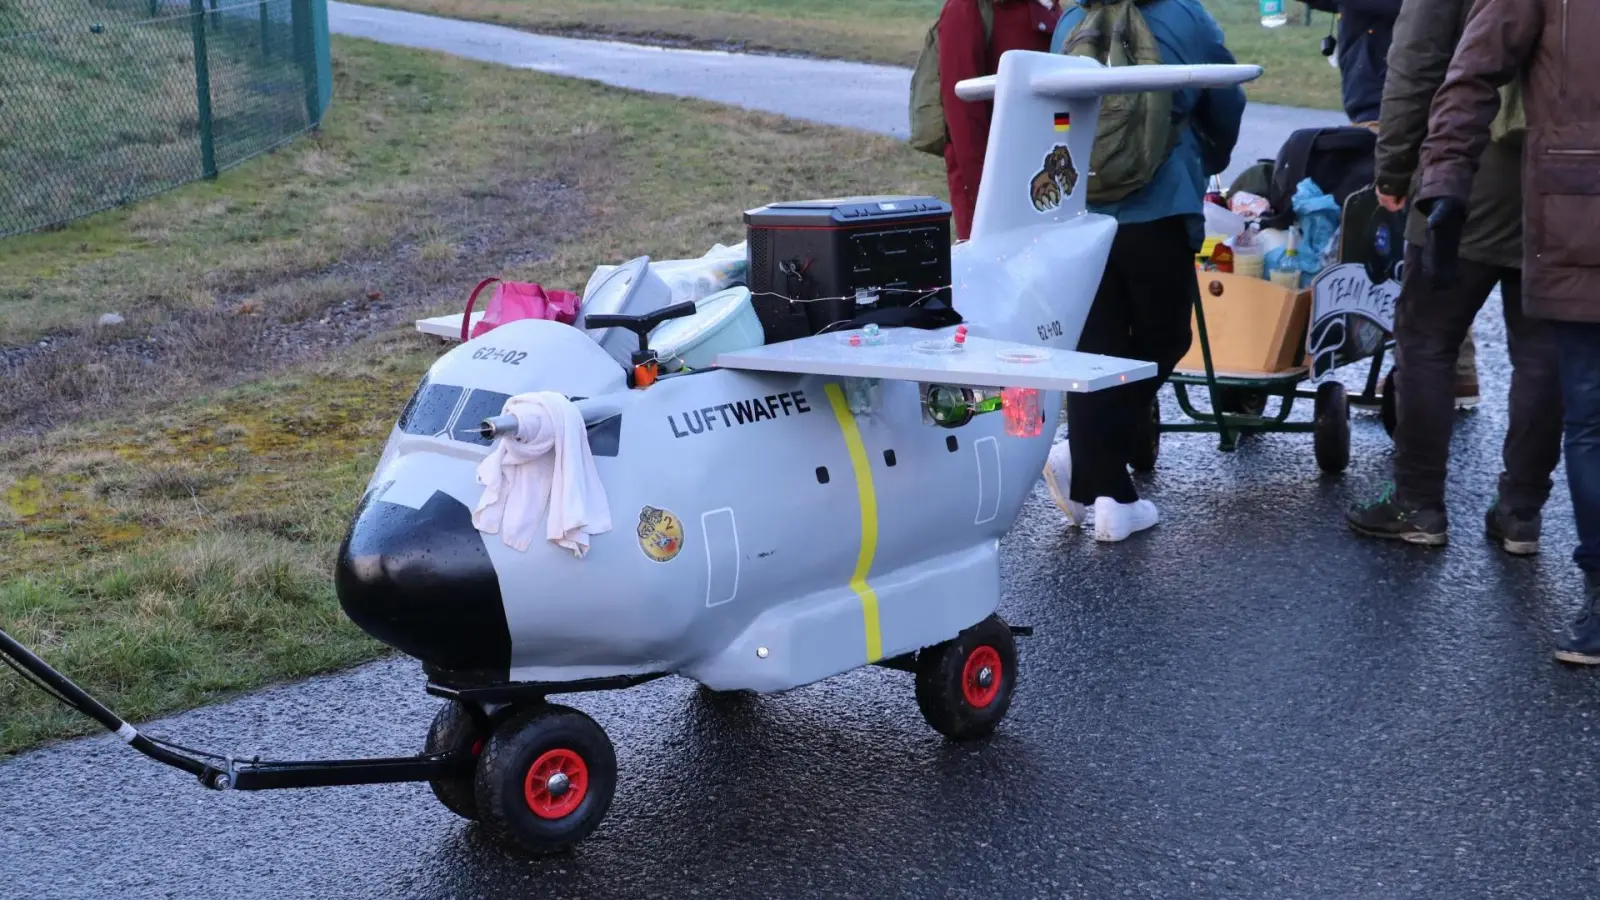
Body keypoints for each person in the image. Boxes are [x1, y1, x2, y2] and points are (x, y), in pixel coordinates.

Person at [1413, 0, 1599, 662]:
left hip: (1570, 202)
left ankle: (1598, 604)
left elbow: (1454, 70)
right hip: (1570, 205)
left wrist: (1436, 183)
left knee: (1587, 411)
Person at [1345, 0, 1561, 551]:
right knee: (1543, 353)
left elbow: (1417, 61)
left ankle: (1416, 502)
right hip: (1565, 176)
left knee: (1426, 339)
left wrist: (1393, 167)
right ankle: (1521, 510)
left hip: (1466, 166)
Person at [1040, 0, 1246, 542]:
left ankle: (1094, 474)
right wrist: (1208, 155)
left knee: (1098, 351)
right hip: (1160, 205)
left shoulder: (1069, 21)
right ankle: (1107, 490)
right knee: (1167, 337)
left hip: (1079, 211)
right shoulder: (1185, 16)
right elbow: (1226, 100)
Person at [1305, 0, 1480, 403]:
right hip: (1383, 102)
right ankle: (1456, 369)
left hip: (1399, 109)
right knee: (1422, 238)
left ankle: (1443, 372)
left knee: (1416, 239)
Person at [938, 0, 1063, 241]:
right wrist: (986, 201)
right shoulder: (967, 9)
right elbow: (963, 115)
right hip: (993, 188)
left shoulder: (1053, 9)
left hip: (1044, 180)